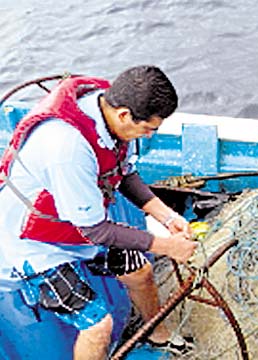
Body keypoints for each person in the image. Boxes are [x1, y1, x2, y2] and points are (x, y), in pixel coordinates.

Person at [0, 66, 197, 359]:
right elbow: (97, 231)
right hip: (31, 246)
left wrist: (167, 217)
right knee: (97, 325)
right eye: (149, 129)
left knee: (140, 271)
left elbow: (125, 173)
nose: (150, 134)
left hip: (74, 226)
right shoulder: (68, 150)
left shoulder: (107, 111)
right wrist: (168, 246)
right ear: (124, 115)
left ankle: (157, 335)